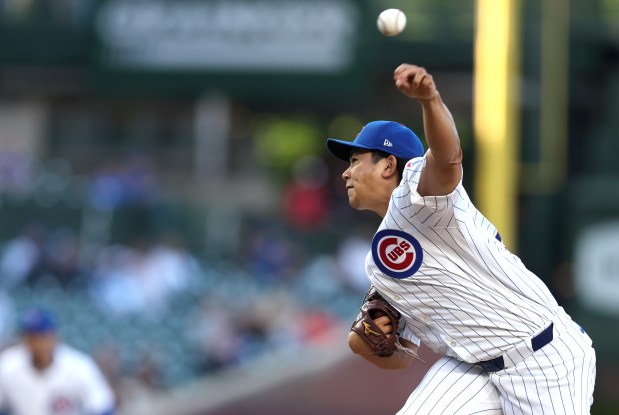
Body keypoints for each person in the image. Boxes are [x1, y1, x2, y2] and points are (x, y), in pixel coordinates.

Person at [326, 64, 596, 414]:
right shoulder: (379, 264)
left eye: (356, 159)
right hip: (471, 367)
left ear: (388, 165)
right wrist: (371, 348)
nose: (346, 171)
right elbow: (401, 357)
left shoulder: (417, 197)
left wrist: (430, 99)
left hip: (544, 359)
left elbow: (448, 159)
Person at [0, 307, 116, 415]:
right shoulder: (8, 365)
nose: (38, 343)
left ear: (54, 336)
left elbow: (103, 407)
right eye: (33, 337)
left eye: (43, 336)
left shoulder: (79, 366)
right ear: (25, 339)